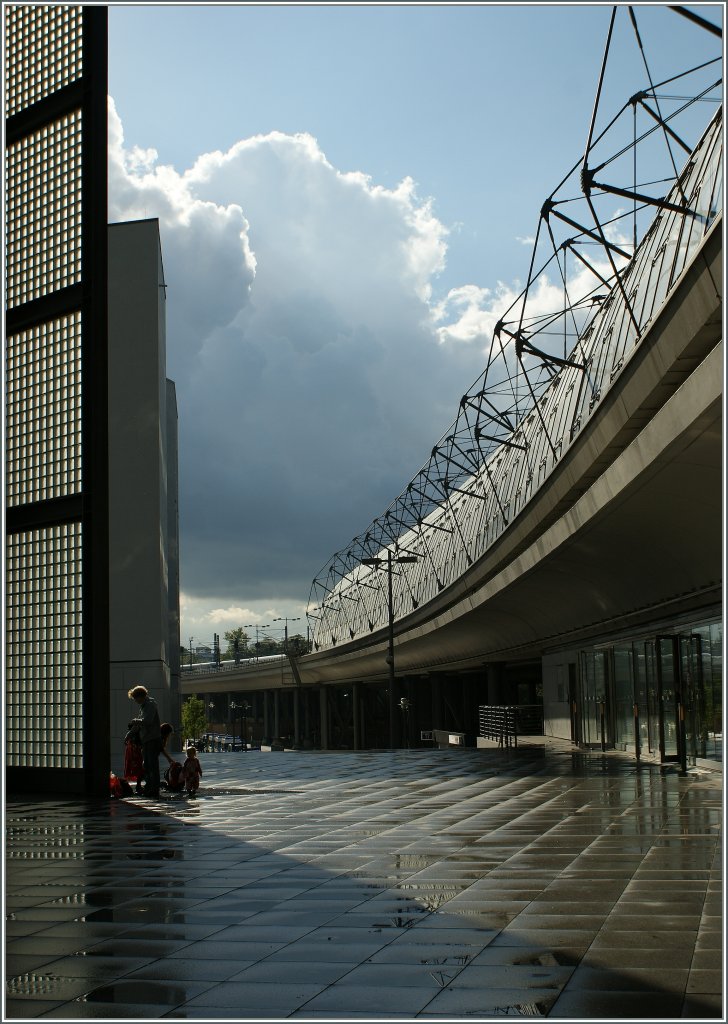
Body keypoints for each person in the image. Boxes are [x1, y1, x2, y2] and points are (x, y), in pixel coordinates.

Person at [127, 685, 162, 797]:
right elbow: (140, 724)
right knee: (147, 765)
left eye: (135, 698)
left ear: (140, 696)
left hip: (152, 738)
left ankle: (153, 789)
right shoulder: (143, 706)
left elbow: (147, 721)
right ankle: (150, 787)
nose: (135, 701)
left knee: (151, 765)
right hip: (147, 739)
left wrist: (135, 721)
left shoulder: (150, 705)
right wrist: (129, 734)